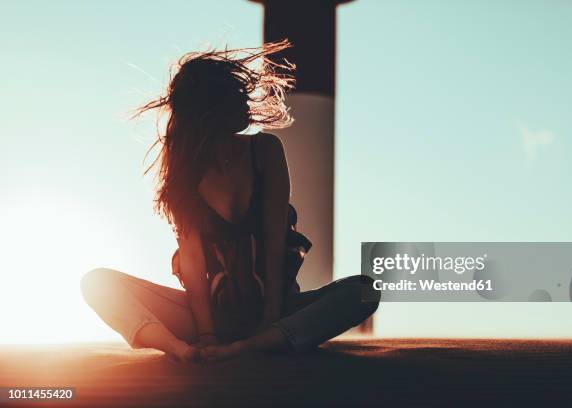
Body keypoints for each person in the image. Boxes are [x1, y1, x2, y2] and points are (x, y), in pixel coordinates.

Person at [80, 40, 380, 363]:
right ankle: (180, 348)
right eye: (233, 95)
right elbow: (193, 262)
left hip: (277, 314)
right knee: (96, 283)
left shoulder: (265, 150)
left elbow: (275, 240)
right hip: (207, 317)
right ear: (211, 107)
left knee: (364, 291)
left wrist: (269, 318)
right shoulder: (185, 168)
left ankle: (252, 346)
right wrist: (206, 334)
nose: (244, 103)